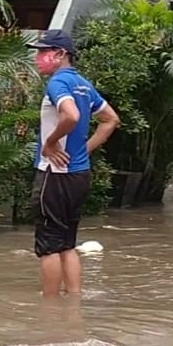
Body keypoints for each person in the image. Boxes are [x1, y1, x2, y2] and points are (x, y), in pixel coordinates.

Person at [28, 29, 121, 297]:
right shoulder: (83, 84)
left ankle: (50, 307)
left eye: (43, 52)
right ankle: (73, 303)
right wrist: (84, 150)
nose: (37, 58)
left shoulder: (58, 83)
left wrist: (50, 143)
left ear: (60, 54)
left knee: (48, 246)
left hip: (54, 173)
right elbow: (111, 119)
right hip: (79, 175)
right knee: (67, 243)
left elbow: (71, 116)